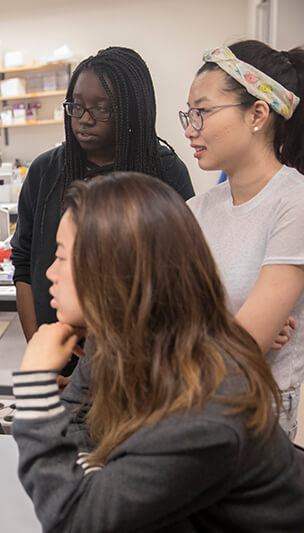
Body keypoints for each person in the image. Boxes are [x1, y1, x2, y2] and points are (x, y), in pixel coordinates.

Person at [12, 172, 304, 532]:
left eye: (60, 257)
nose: (49, 273)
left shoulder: (208, 410)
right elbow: (79, 425)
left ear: (112, 270)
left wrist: (33, 388)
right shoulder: (121, 340)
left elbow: (75, 520)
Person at [11, 46, 194, 377]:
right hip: (58, 358)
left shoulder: (164, 172)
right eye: (77, 106)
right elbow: (24, 264)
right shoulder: (45, 172)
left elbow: (183, 273)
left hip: (140, 365)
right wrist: (42, 356)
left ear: (131, 111)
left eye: (101, 109)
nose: (84, 119)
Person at [184, 41, 304, 439]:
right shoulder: (195, 210)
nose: (190, 128)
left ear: (257, 114)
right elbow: (157, 317)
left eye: (202, 112)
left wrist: (231, 332)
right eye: (190, 113)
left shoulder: (294, 203)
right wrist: (234, 329)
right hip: (185, 411)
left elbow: (246, 345)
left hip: (254, 424)